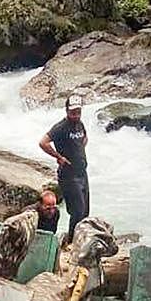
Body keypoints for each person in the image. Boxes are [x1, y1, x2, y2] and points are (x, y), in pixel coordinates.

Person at [38, 95, 90, 242]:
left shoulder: (80, 124)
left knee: (85, 211)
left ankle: (79, 239)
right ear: (67, 111)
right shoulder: (61, 127)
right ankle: (71, 242)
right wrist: (58, 157)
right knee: (77, 211)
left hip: (82, 173)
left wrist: (79, 149)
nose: (76, 115)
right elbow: (43, 142)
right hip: (69, 175)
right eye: (73, 112)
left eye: (78, 111)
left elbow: (85, 138)